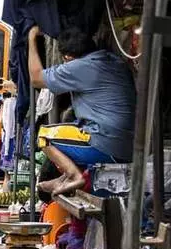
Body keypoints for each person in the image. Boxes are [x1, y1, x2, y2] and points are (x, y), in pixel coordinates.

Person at [27, 26, 136, 195]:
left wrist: (31, 39)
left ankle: (73, 176)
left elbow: (36, 78)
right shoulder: (113, 61)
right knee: (75, 131)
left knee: (44, 136)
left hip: (106, 143)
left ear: (68, 57)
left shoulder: (80, 67)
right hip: (128, 145)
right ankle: (65, 178)